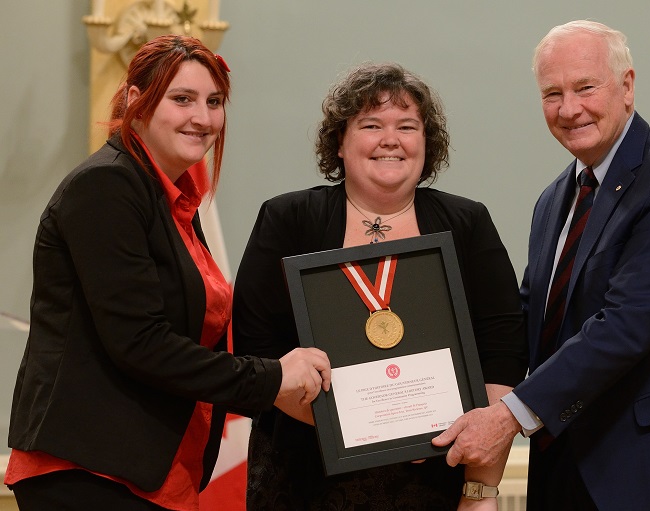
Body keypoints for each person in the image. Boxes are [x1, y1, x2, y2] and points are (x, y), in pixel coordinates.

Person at [433, 20, 650, 510]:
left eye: (585, 87)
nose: (569, 109)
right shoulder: (555, 198)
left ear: (627, 86)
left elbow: (625, 325)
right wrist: (444, 383)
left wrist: (507, 416)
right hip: (570, 469)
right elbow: (531, 317)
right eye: (552, 93)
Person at [4, 35, 331, 511]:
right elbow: (139, 342)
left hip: (158, 470)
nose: (202, 117)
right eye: (182, 99)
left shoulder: (172, 198)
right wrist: (271, 377)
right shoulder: (107, 184)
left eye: (214, 101)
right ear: (136, 101)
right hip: (91, 471)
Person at [232, 62, 527, 510]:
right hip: (305, 481)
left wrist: (480, 489)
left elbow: (503, 353)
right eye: (371, 124)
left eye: (407, 126)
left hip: (435, 481)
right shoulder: (288, 220)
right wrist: (358, 427)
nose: (391, 139)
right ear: (340, 142)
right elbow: (257, 351)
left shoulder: (467, 223)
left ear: (427, 144)